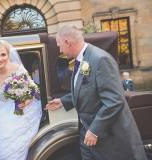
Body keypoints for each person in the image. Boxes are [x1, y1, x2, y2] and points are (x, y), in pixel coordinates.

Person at [46, 25, 147, 160]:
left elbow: (114, 101)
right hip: (86, 132)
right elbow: (88, 88)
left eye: (60, 46)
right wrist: (64, 101)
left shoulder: (100, 59)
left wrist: (94, 130)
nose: (60, 49)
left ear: (67, 42)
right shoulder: (81, 59)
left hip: (107, 137)